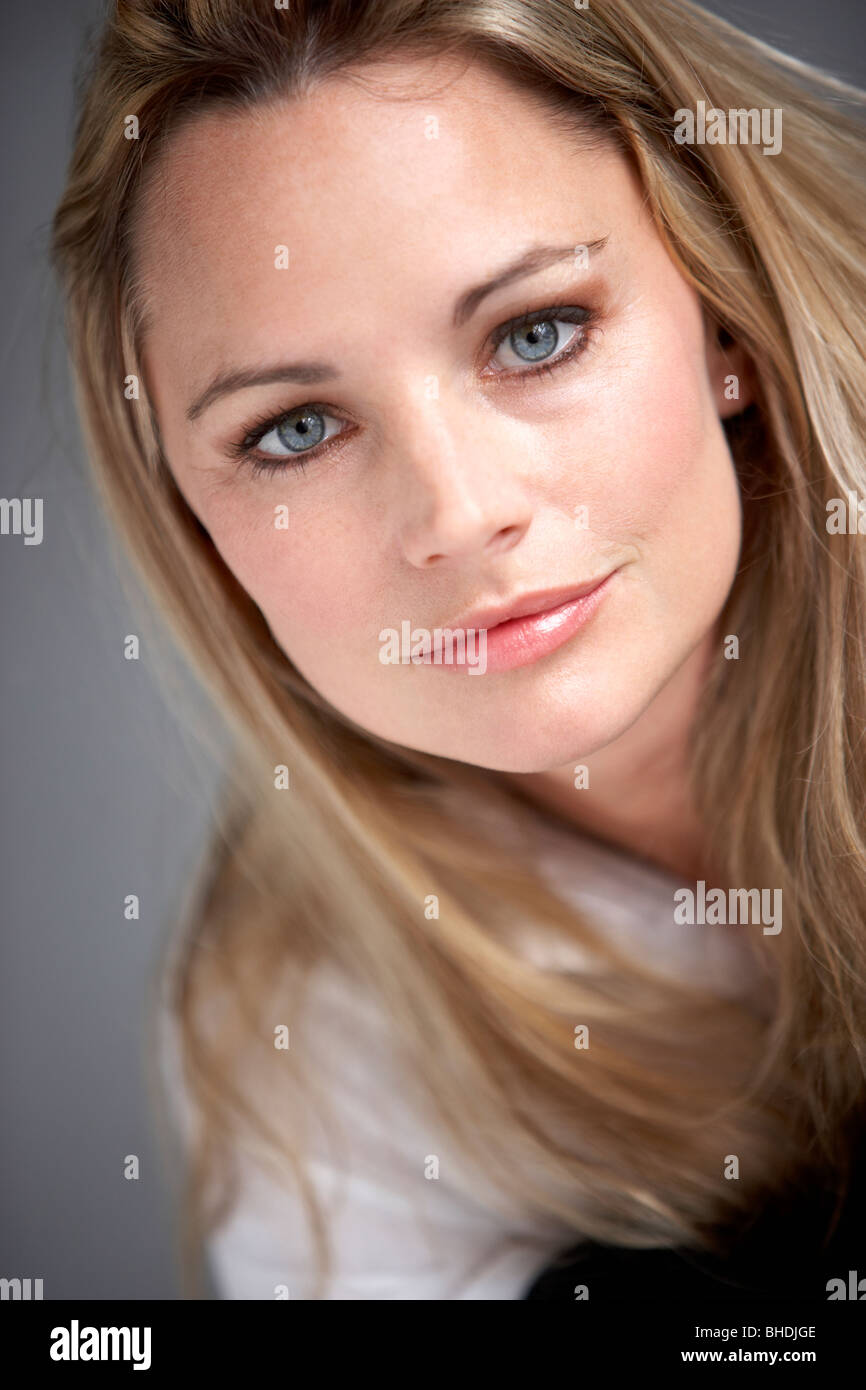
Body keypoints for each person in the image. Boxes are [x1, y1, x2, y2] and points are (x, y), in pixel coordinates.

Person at [50, 0, 866, 1300]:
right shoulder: (307, 1034)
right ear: (194, 524)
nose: (455, 512)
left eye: (533, 333)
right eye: (298, 428)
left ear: (723, 319)